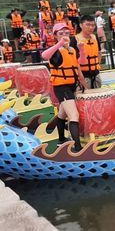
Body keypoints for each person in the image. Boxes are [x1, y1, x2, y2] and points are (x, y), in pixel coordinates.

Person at [42, 23, 86, 152]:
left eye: (66, 33)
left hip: (71, 85)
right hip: (61, 87)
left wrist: (81, 49)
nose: (64, 35)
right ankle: (78, 147)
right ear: (55, 35)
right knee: (74, 115)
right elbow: (44, 56)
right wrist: (60, 43)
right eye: (60, 33)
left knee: (62, 114)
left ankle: (61, 140)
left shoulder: (71, 50)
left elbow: (81, 63)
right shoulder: (55, 50)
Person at [75, 15, 102, 89]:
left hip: (95, 72)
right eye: (87, 25)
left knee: (98, 95)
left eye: (93, 25)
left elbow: (99, 53)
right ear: (81, 25)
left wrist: (97, 65)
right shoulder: (75, 39)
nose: (90, 27)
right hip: (83, 74)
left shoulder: (95, 37)